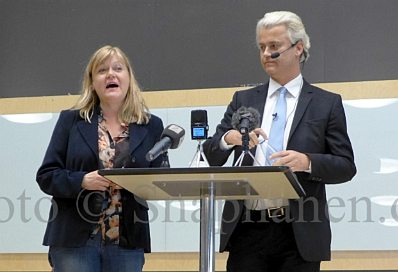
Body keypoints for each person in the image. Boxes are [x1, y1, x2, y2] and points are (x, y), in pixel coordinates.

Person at [203, 11, 356, 272]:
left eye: (274, 47)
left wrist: (308, 162)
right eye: (261, 47)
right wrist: (229, 139)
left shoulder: (325, 103)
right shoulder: (244, 100)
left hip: (299, 233)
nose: (265, 54)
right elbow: (210, 154)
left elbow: (345, 166)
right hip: (246, 229)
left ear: (298, 48)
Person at [36, 45, 167, 272]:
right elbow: (46, 176)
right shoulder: (71, 121)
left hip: (127, 241)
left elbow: (158, 180)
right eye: (102, 70)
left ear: (129, 78)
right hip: (74, 241)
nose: (111, 74)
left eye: (118, 68)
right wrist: (82, 181)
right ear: (92, 82)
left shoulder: (151, 125)